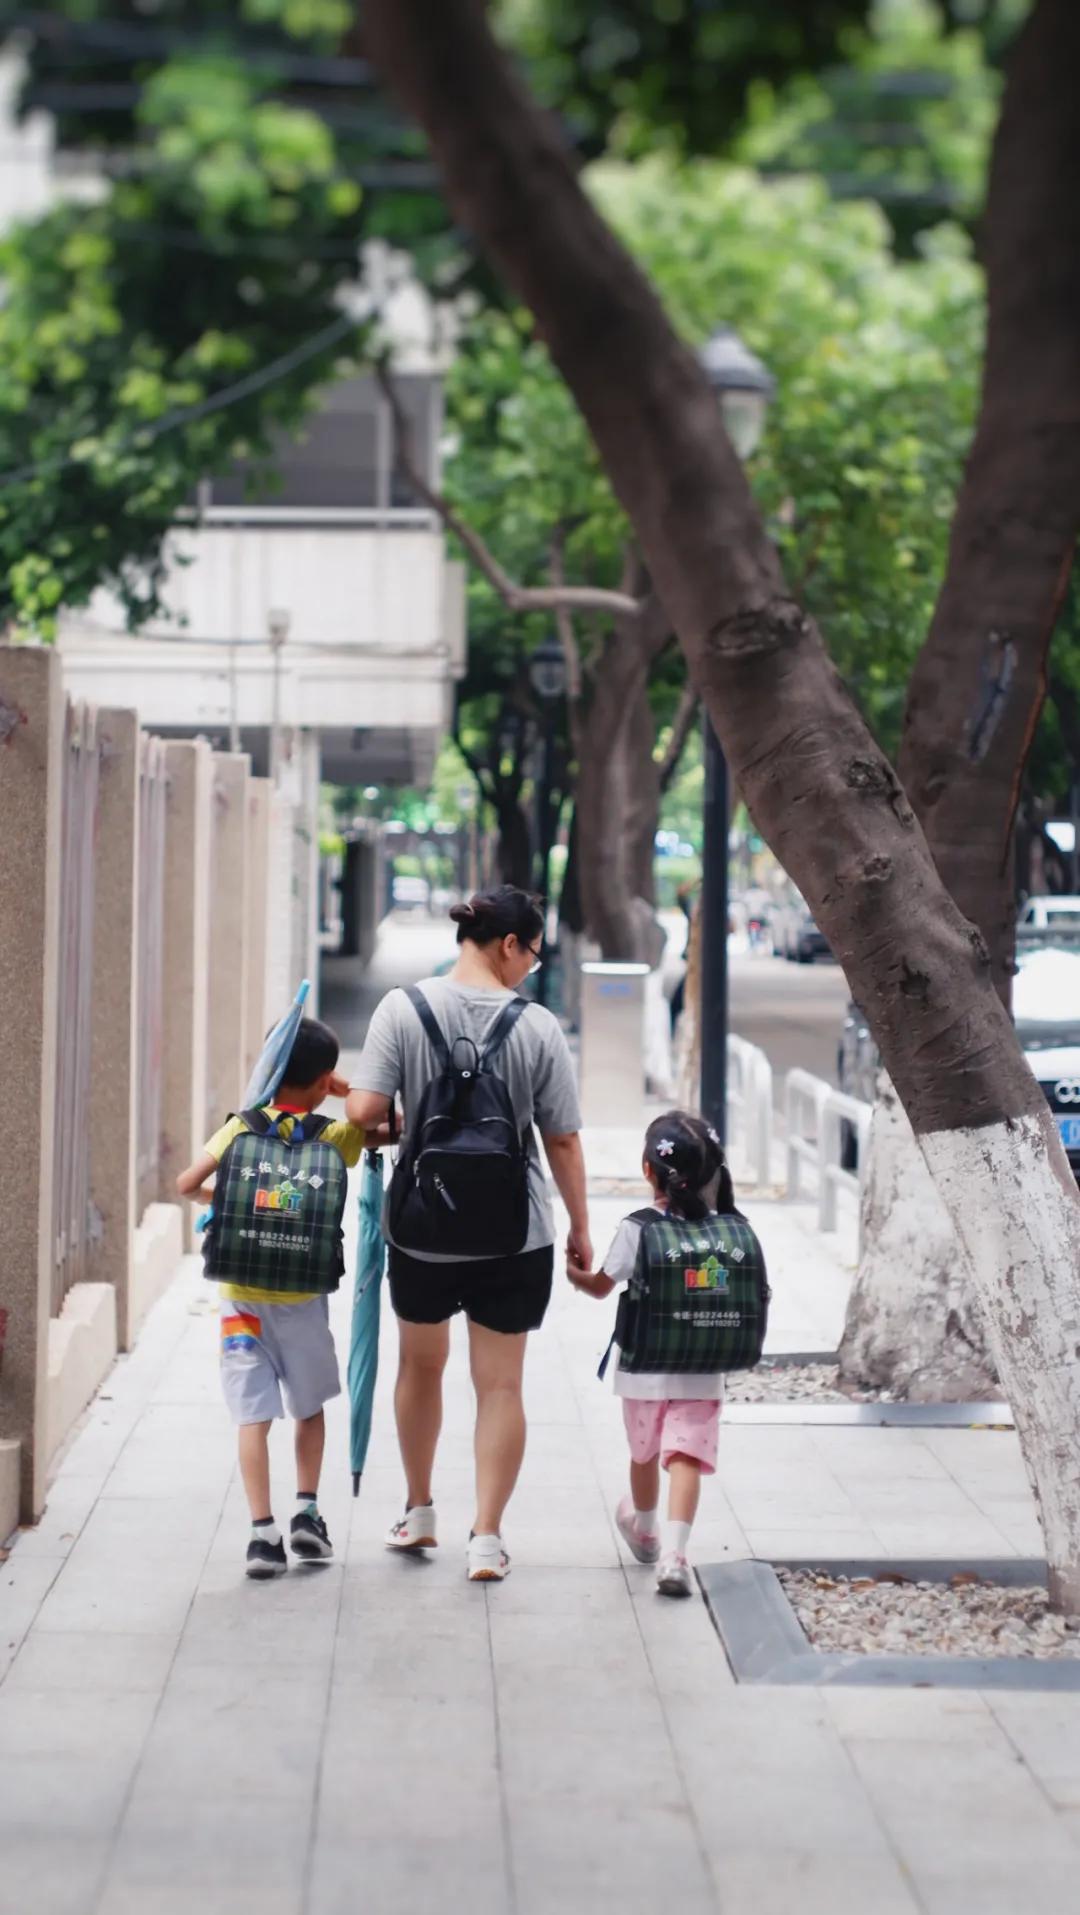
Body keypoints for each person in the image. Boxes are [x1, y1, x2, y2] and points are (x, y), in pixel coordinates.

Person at [346, 885, 591, 1583]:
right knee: (501, 1384)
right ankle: (486, 1536)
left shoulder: (403, 1008)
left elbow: (363, 1111)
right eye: (533, 954)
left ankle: (419, 1510)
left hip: (422, 1229)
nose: (531, 967)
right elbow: (563, 1139)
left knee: (419, 1366)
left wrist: (406, 1120)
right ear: (509, 945)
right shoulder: (538, 1027)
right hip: (515, 1234)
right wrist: (580, 1226)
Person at [177, 1016, 367, 1580]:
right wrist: (347, 1092)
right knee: (309, 1407)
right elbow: (389, 1123)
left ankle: (262, 1536)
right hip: (303, 1297)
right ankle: (307, 1510)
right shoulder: (333, 1136)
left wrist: (231, 1200)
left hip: (241, 1300)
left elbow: (186, 1184)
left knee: (252, 1416)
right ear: (323, 1080)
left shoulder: (240, 1128)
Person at [569, 1110, 760, 1599]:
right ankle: (675, 1555)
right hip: (703, 1369)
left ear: (647, 1170)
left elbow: (600, 1287)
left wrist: (574, 1273)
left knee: (645, 1452)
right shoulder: (731, 1228)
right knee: (686, 1457)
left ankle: (645, 1528)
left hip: (643, 1369)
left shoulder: (639, 1228)